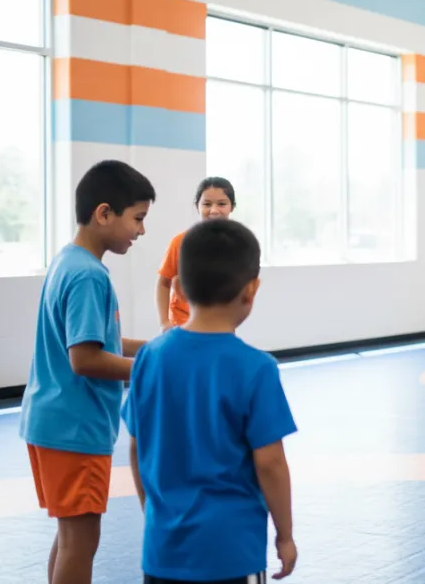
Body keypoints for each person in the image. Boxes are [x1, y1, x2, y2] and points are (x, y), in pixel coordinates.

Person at [123, 219, 298, 583]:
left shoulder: (149, 358)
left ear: (179, 287)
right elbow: (270, 463)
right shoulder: (256, 368)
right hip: (231, 553)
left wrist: (153, 516)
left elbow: (137, 448)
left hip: (162, 550)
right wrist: (285, 535)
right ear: (251, 289)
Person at [18, 160, 154, 584]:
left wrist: (158, 349)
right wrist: (153, 373)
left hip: (51, 423)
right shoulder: (88, 276)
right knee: (81, 543)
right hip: (73, 429)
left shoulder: (68, 261)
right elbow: (86, 359)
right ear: (104, 213)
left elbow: (102, 340)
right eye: (138, 218)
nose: (141, 231)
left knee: (69, 539)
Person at [156, 177, 235, 331]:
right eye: (207, 204)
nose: (214, 210)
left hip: (221, 327)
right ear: (197, 206)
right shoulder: (180, 242)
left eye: (221, 204)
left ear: (232, 206)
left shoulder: (236, 245)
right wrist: (164, 322)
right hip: (183, 326)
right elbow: (163, 283)